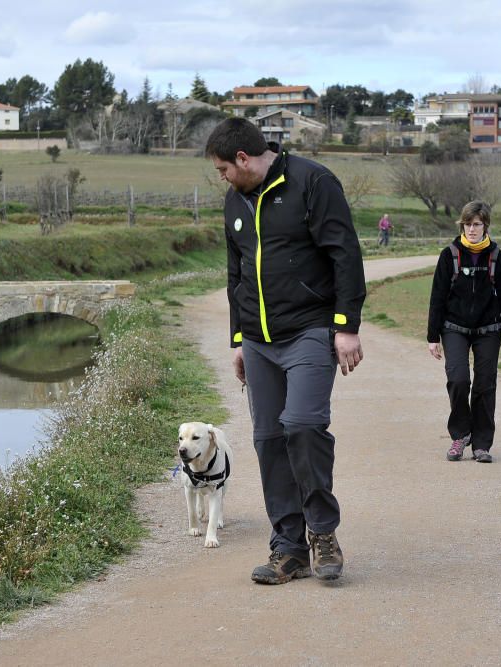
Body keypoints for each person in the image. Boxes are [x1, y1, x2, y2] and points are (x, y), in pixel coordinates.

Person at [205, 117, 366, 584]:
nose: (222, 179)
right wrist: (238, 339)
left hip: (310, 330)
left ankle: (323, 532)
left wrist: (346, 326)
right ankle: (288, 547)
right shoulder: (235, 200)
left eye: (222, 169)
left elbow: (345, 255)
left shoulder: (313, 182)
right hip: (258, 341)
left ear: (243, 159)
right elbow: (236, 274)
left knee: (302, 425)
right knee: (268, 440)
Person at [427, 201, 501, 464]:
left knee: (484, 384)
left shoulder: (496, 257)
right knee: (458, 380)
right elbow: (437, 297)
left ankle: (481, 444)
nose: (471, 229)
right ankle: (460, 435)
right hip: (454, 328)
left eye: (477, 224)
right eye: (467, 224)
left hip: (488, 329)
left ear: (485, 226)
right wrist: (433, 336)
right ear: (462, 225)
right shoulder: (450, 255)